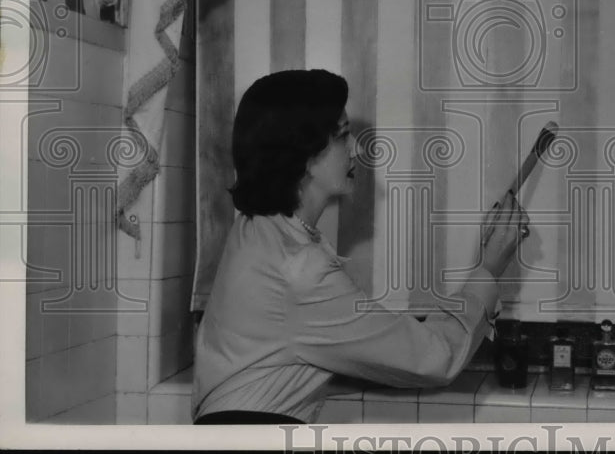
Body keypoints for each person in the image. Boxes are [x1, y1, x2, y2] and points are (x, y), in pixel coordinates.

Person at [192, 69, 529, 424]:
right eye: (342, 135)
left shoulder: (255, 231)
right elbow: (435, 358)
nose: (355, 148)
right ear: (301, 154)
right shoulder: (298, 269)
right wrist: (489, 269)